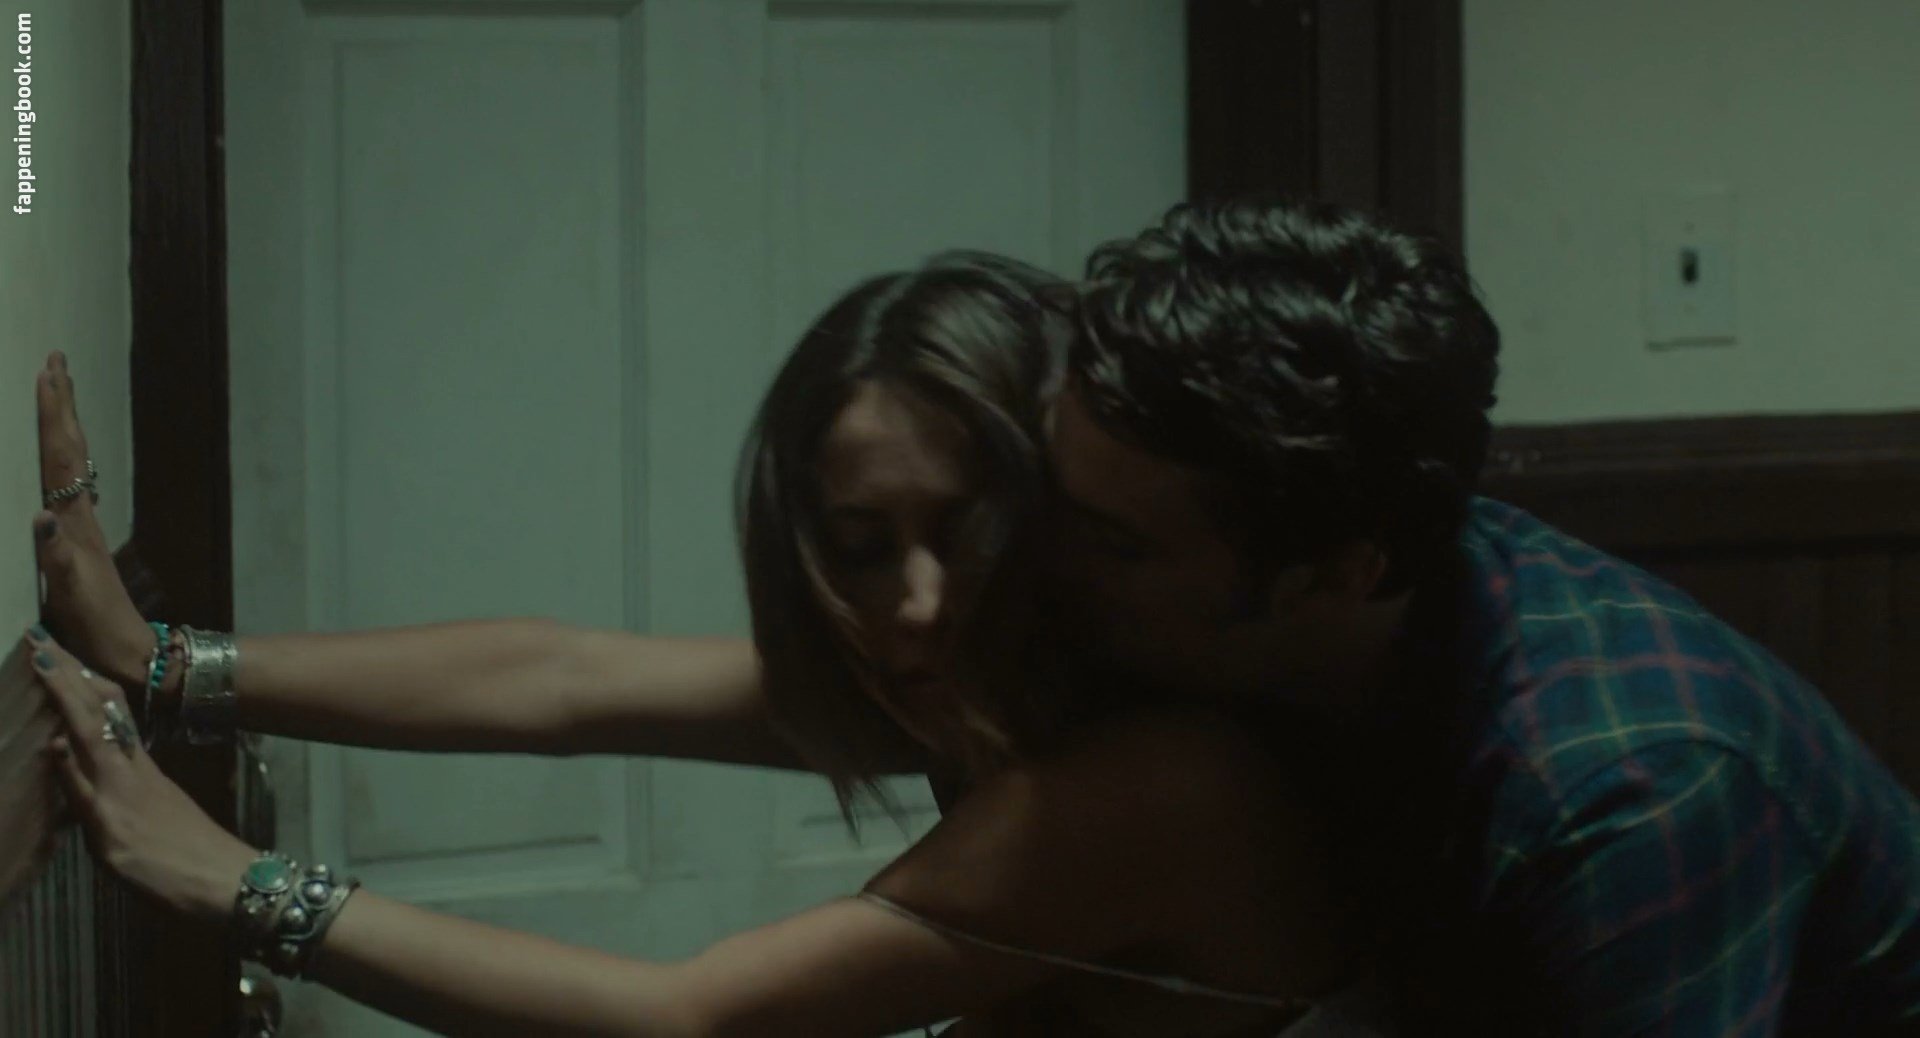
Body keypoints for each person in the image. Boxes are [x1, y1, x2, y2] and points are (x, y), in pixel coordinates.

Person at [22, 253, 1380, 1037]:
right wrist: (164, 662)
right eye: (860, 544)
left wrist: (233, 879)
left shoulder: (1166, 780)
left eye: (964, 525)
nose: (915, 598)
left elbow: (689, 1019)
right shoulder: (979, 685)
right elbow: (564, 682)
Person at [1043, 198, 1920, 1034]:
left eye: (1117, 546)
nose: (1049, 564)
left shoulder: (1628, 789)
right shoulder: (1328, 589)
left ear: (1332, 578)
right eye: (1050, 500)